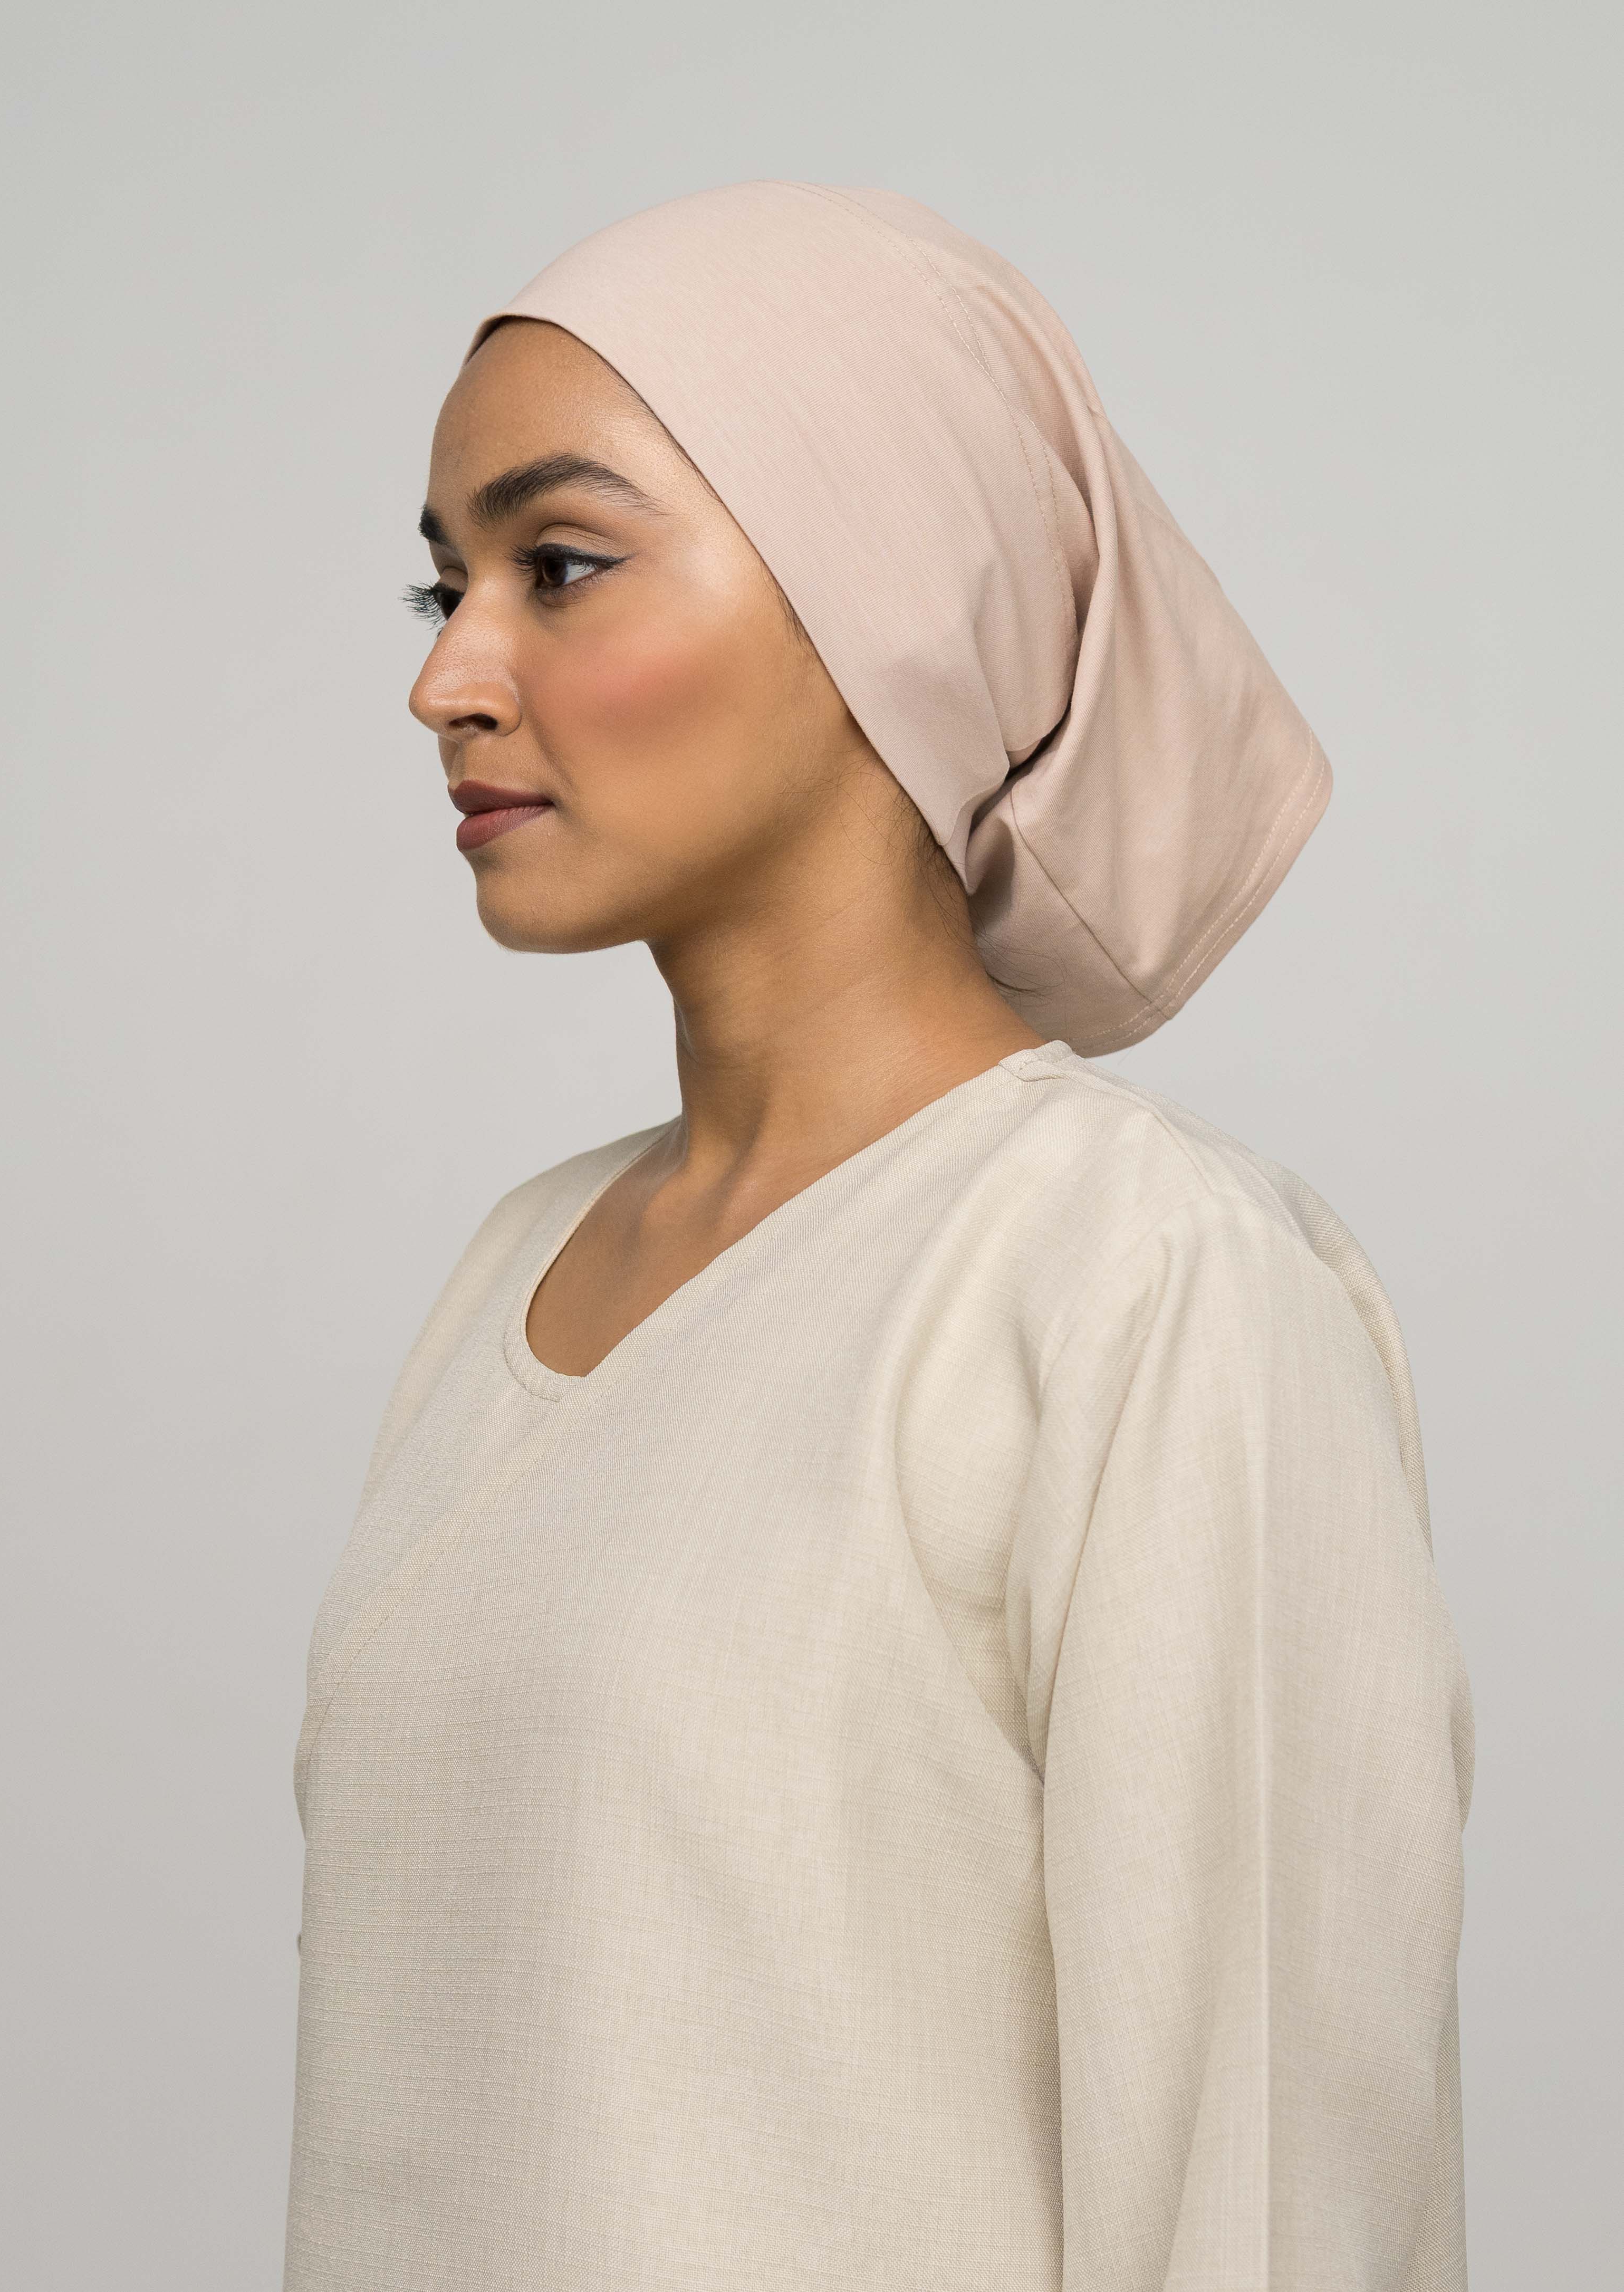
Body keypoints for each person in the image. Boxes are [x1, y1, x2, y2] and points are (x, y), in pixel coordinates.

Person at [284, 183, 1473, 2291]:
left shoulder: (1134, 1283)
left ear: (885, 600)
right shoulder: (516, 1273)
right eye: (442, 584)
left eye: (560, 566)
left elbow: (1270, 2199)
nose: (446, 677)